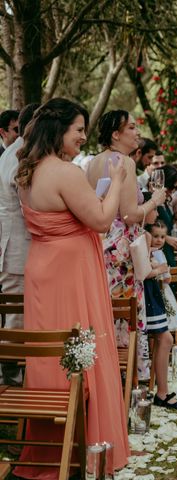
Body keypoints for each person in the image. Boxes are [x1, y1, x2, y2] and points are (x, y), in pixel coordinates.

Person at [12, 98, 130, 478]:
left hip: (43, 270)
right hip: (71, 273)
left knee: (50, 360)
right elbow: (99, 220)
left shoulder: (27, 172)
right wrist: (118, 185)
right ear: (59, 130)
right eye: (78, 128)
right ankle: (86, 447)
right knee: (80, 355)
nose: (82, 136)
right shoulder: (64, 172)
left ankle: (50, 450)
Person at [86, 109, 166, 381]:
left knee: (105, 313)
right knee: (129, 317)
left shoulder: (93, 162)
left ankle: (104, 377)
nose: (137, 132)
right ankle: (131, 381)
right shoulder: (126, 163)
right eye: (131, 127)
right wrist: (155, 200)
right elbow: (130, 214)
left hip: (99, 245)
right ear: (115, 134)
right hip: (123, 253)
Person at [0, 103, 39, 385]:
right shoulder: (21, 155)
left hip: (14, 244)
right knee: (16, 316)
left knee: (18, 313)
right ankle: (11, 378)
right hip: (17, 247)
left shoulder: (14, 150)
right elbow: (30, 206)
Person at [142, 205, 177, 410]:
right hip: (147, 292)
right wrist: (158, 268)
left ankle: (162, 391)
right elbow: (145, 271)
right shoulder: (142, 239)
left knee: (165, 338)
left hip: (154, 292)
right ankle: (161, 392)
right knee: (165, 338)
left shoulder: (148, 242)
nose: (157, 212)